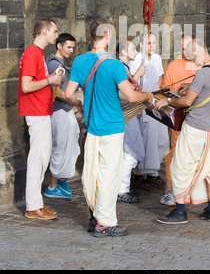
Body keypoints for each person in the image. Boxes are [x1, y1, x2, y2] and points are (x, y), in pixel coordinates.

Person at [65, 19, 153, 238]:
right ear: (105, 35)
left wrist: (81, 103)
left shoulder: (80, 61)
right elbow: (132, 96)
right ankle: (106, 222)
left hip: (92, 126)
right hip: (112, 126)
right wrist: (148, 96)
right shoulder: (113, 65)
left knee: (92, 173)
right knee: (109, 175)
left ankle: (95, 217)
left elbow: (68, 95)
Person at [154, 39, 210, 225]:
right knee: (209, 168)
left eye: (192, 58)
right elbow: (204, 91)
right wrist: (189, 86)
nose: (192, 63)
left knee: (180, 167)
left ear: (197, 54)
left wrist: (167, 102)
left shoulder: (202, 73)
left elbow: (186, 103)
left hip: (194, 128)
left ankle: (179, 212)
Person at [18, 19, 63, 220]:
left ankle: (37, 203)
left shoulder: (37, 53)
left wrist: (50, 79)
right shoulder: (31, 53)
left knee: (41, 157)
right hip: (36, 111)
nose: (56, 35)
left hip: (41, 110)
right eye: (54, 31)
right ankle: (33, 206)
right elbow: (26, 86)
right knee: (38, 158)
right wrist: (50, 80)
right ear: (44, 31)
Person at [159, 35, 199, 206]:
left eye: (188, 47)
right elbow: (164, 91)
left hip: (198, 116)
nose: (185, 51)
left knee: (196, 153)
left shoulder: (202, 65)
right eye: (182, 48)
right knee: (175, 152)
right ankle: (169, 190)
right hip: (178, 114)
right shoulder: (174, 65)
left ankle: (192, 189)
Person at [44, 33, 82, 199]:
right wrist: (73, 99)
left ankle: (60, 182)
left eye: (73, 47)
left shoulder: (59, 64)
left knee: (68, 147)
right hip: (59, 110)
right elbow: (55, 90)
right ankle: (52, 186)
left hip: (64, 110)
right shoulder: (54, 64)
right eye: (68, 47)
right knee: (60, 147)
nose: (71, 50)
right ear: (59, 46)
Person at [129, 32, 169, 189]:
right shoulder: (137, 60)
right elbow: (131, 81)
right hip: (142, 101)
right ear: (141, 45)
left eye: (153, 43)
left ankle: (153, 171)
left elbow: (159, 80)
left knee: (160, 138)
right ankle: (139, 173)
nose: (151, 46)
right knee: (145, 138)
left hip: (155, 100)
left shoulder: (158, 59)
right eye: (148, 43)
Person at [116, 39, 146, 204]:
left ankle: (123, 186)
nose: (135, 51)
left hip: (129, 114)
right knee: (130, 153)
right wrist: (137, 76)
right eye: (132, 49)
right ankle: (122, 189)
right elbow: (124, 91)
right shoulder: (120, 67)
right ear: (124, 52)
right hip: (125, 114)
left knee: (127, 152)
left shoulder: (124, 67)